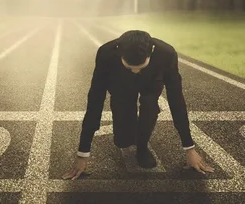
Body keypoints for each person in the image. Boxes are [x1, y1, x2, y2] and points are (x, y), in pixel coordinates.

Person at [62, 30, 214, 180]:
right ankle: (128, 131)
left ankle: (142, 147)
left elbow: (176, 100)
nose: (135, 71)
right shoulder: (106, 54)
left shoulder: (166, 54)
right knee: (122, 140)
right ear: (119, 54)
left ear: (151, 53)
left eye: (141, 66)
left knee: (149, 104)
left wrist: (189, 148)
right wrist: (82, 153)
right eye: (129, 67)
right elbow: (95, 100)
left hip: (151, 83)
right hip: (121, 85)